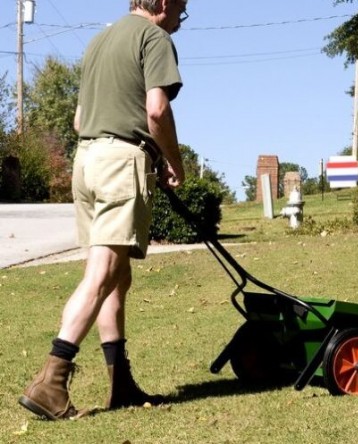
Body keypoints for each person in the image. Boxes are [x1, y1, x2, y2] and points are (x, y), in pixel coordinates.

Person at [18, 0, 188, 420]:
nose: (183, 13)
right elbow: (156, 110)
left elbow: (79, 120)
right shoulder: (154, 37)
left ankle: (121, 383)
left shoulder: (99, 41)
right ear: (163, 3)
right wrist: (174, 162)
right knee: (100, 277)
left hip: (87, 160)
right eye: (182, 4)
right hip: (120, 163)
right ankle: (51, 382)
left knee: (116, 276)